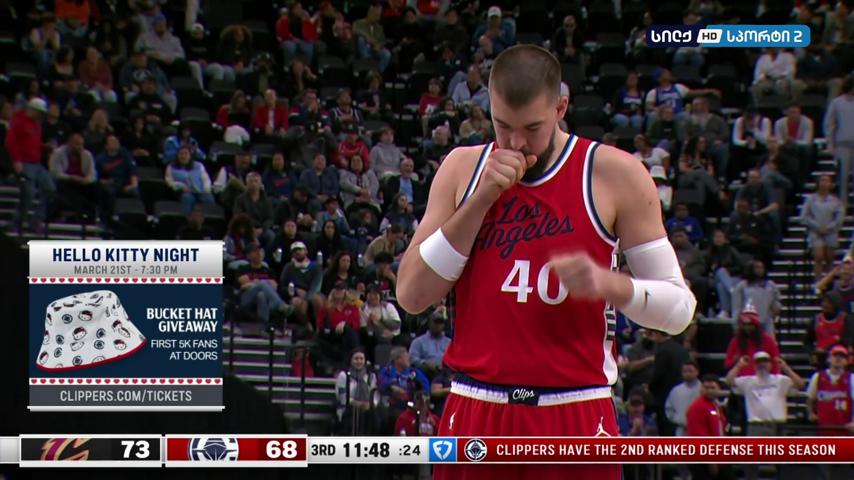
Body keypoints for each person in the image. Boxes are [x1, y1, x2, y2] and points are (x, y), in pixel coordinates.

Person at [397, 40, 695, 476]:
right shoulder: (463, 168)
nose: (516, 143)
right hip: (476, 407)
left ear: (560, 107)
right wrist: (481, 199)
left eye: (531, 127)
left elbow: (680, 310)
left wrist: (613, 286)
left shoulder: (614, 174)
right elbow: (411, 295)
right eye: (502, 126)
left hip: (574, 410)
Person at [6, 98, 55, 231]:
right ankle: (17, 222)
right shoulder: (18, 121)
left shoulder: (36, 124)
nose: (41, 115)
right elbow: (10, 142)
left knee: (50, 188)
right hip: (25, 162)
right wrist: (16, 160)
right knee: (28, 193)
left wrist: (45, 147)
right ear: (32, 109)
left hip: (36, 163)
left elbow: (32, 143)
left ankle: (36, 219)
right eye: (39, 112)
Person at [686, 375, 733, 480]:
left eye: (712, 388)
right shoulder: (697, 407)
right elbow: (699, 436)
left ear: (718, 389)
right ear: (701, 389)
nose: (709, 391)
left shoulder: (715, 406)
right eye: (706, 388)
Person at [235, 243, 293, 325]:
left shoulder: (269, 271)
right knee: (262, 284)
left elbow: (274, 287)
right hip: (246, 298)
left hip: (267, 299)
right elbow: (244, 284)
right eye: (255, 251)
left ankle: (263, 326)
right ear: (248, 256)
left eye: (261, 251)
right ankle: (281, 305)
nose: (259, 253)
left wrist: (255, 282)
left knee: (261, 295)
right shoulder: (243, 269)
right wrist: (263, 283)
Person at [648, 329, 691, 436]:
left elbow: (659, 374)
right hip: (681, 391)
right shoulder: (681, 349)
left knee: (666, 426)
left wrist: (650, 387)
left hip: (665, 393)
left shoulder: (663, 350)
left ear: (658, 334)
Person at [802, 174, 845, 279]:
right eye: (822, 180)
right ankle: (818, 283)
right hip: (815, 232)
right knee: (818, 257)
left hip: (831, 232)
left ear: (831, 184)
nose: (824, 183)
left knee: (829, 258)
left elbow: (839, 218)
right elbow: (804, 216)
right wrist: (817, 226)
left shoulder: (836, 201)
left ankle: (829, 282)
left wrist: (828, 227)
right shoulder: (810, 199)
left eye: (827, 181)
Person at [806, 344, 854, 436]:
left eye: (842, 356)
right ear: (829, 358)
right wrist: (810, 413)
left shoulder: (851, 378)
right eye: (835, 355)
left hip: (845, 430)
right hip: (823, 430)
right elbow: (810, 399)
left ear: (846, 361)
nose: (838, 358)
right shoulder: (818, 377)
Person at [49, 132, 99, 219]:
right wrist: (71, 177)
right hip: (64, 182)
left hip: (82, 182)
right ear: (69, 144)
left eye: (81, 144)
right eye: (77, 144)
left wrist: (86, 180)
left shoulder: (86, 154)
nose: (80, 147)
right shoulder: (58, 153)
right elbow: (55, 173)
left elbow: (92, 173)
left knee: (99, 189)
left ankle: (103, 218)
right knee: (65, 188)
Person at [824, 75, 854, 206]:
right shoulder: (837, 103)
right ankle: (842, 204)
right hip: (843, 145)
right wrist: (830, 144)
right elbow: (829, 124)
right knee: (842, 177)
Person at [724, 309, 782, 376]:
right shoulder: (735, 341)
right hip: (741, 379)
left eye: (750, 325)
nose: (747, 328)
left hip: (763, 379)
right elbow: (727, 365)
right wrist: (735, 360)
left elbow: (776, 362)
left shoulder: (768, 340)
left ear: (756, 326)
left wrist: (774, 378)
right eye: (745, 325)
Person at [732, 260, 782, 336]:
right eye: (757, 267)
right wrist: (736, 325)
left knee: (769, 342)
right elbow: (737, 307)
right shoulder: (742, 286)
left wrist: (777, 307)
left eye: (761, 267)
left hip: (766, 322)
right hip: (748, 324)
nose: (759, 270)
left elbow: (776, 300)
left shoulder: (770, 285)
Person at [704, 229, 746, 319]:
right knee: (720, 271)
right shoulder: (709, 252)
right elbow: (706, 268)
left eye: (720, 237)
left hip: (732, 277)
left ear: (725, 239)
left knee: (721, 286)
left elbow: (741, 266)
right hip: (715, 277)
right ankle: (733, 292)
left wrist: (729, 271)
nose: (718, 239)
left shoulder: (731, 250)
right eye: (716, 237)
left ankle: (725, 311)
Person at [378, 346, 430, 418]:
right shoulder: (386, 371)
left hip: (411, 404)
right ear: (397, 359)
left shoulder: (414, 372)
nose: (409, 359)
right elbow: (381, 384)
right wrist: (392, 386)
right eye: (406, 357)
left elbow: (425, 387)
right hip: (391, 404)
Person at [806, 291, 854, 366]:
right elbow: (807, 341)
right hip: (821, 362)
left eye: (828, 302)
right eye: (824, 301)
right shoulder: (816, 320)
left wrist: (826, 349)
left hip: (841, 360)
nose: (824, 304)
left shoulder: (846, 319)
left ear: (836, 304)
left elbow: (847, 341)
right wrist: (812, 353)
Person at [335, 348, 377, 434]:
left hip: (367, 408)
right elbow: (342, 397)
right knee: (355, 415)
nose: (359, 361)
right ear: (351, 360)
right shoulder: (344, 375)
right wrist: (356, 403)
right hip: (348, 408)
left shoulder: (371, 376)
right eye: (356, 359)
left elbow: (375, 394)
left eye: (361, 359)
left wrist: (371, 404)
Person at [165, 145, 215, 215]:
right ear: (177, 156)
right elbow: (169, 181)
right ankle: (186, 219)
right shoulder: (171, 167)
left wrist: (206, 189)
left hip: (200, 191)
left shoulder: (198, 165)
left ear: (190, 155)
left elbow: (206, 179)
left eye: (186, 153)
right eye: (181, 154)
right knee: (187, 198)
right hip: (184, 191)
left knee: (209, 198)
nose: (183, 156)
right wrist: (181, 186)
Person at [665, 360, 702, 437]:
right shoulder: (676, 390)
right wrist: (677, 419)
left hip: (701, 429)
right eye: (685, 371)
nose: (687, 374)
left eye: (690, 371)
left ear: (697, 372)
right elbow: (669, 408)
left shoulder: (703, 390)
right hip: (682, 429)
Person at [353, 3, 391, 72]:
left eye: (379, 16)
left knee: (386, 54)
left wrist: (379, 45)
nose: (377, 18)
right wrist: (366, 36)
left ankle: (377, 73)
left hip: (374, 49)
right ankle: (368, 64)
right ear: (369, 13)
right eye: (375, 15)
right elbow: (355, 31)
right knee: (361, 39)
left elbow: (383, 40)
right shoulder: (358, 23)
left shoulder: (379, 27)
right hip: (362, 47)